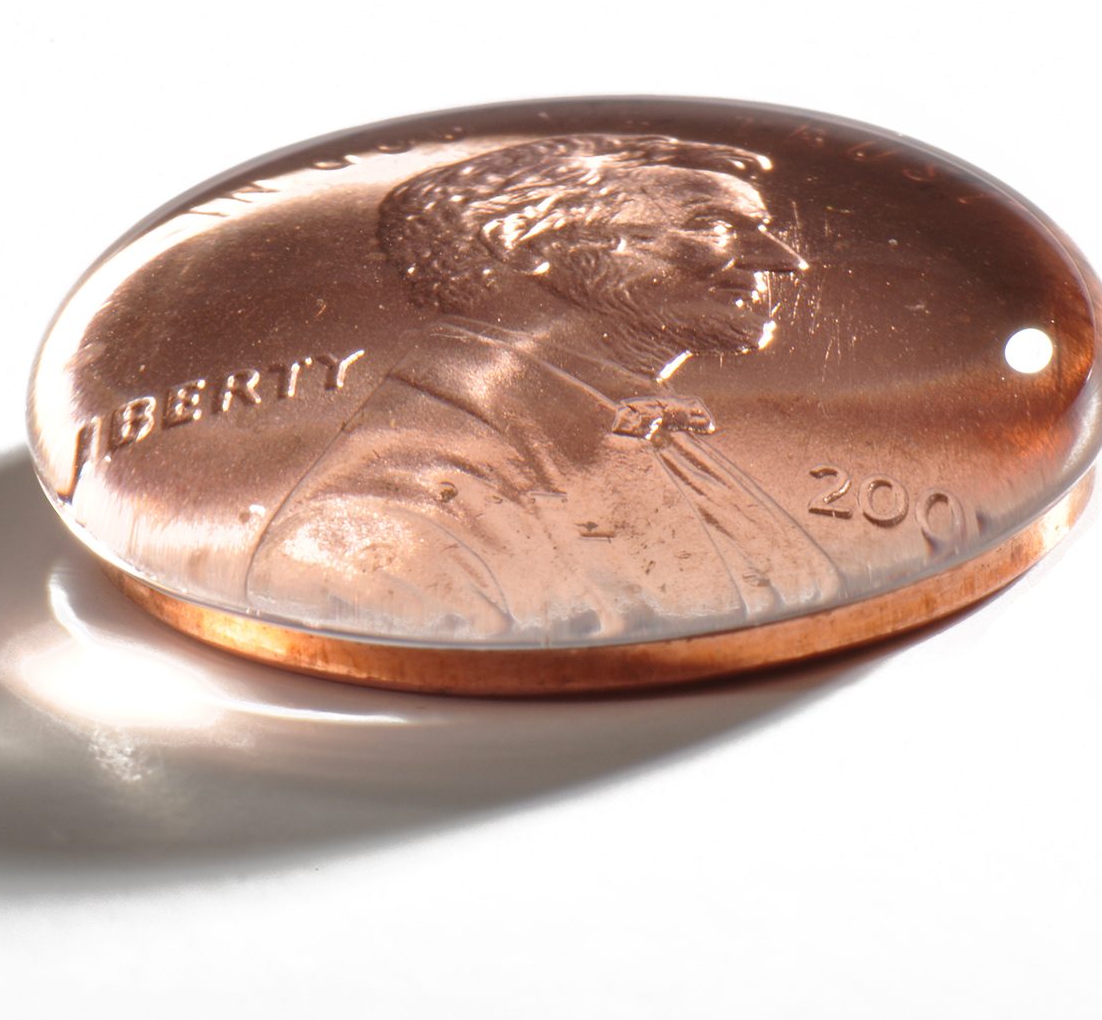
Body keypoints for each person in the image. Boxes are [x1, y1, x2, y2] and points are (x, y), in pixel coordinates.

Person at [246, 134, 844, 643]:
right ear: (526, 242)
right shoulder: (375, 527)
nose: (784, 262)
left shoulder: (644, 429)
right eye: (711, 226)